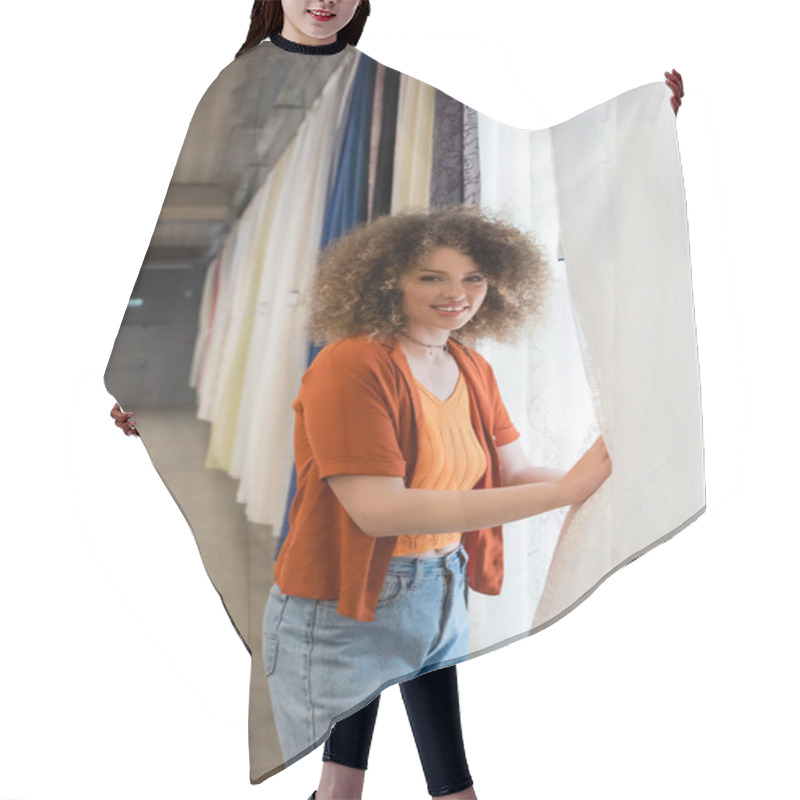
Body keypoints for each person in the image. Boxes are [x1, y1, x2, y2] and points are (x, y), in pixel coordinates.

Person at [110, 3, 684, 798]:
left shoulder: (386, 91)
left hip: (428, 580)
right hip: (310, 394)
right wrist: (150, 369)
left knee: (394, 722)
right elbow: (188, 233)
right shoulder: (240, 88)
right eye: (436, 279)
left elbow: (529, 158)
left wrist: (632, 128)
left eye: (474, 280)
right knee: (355, 553)